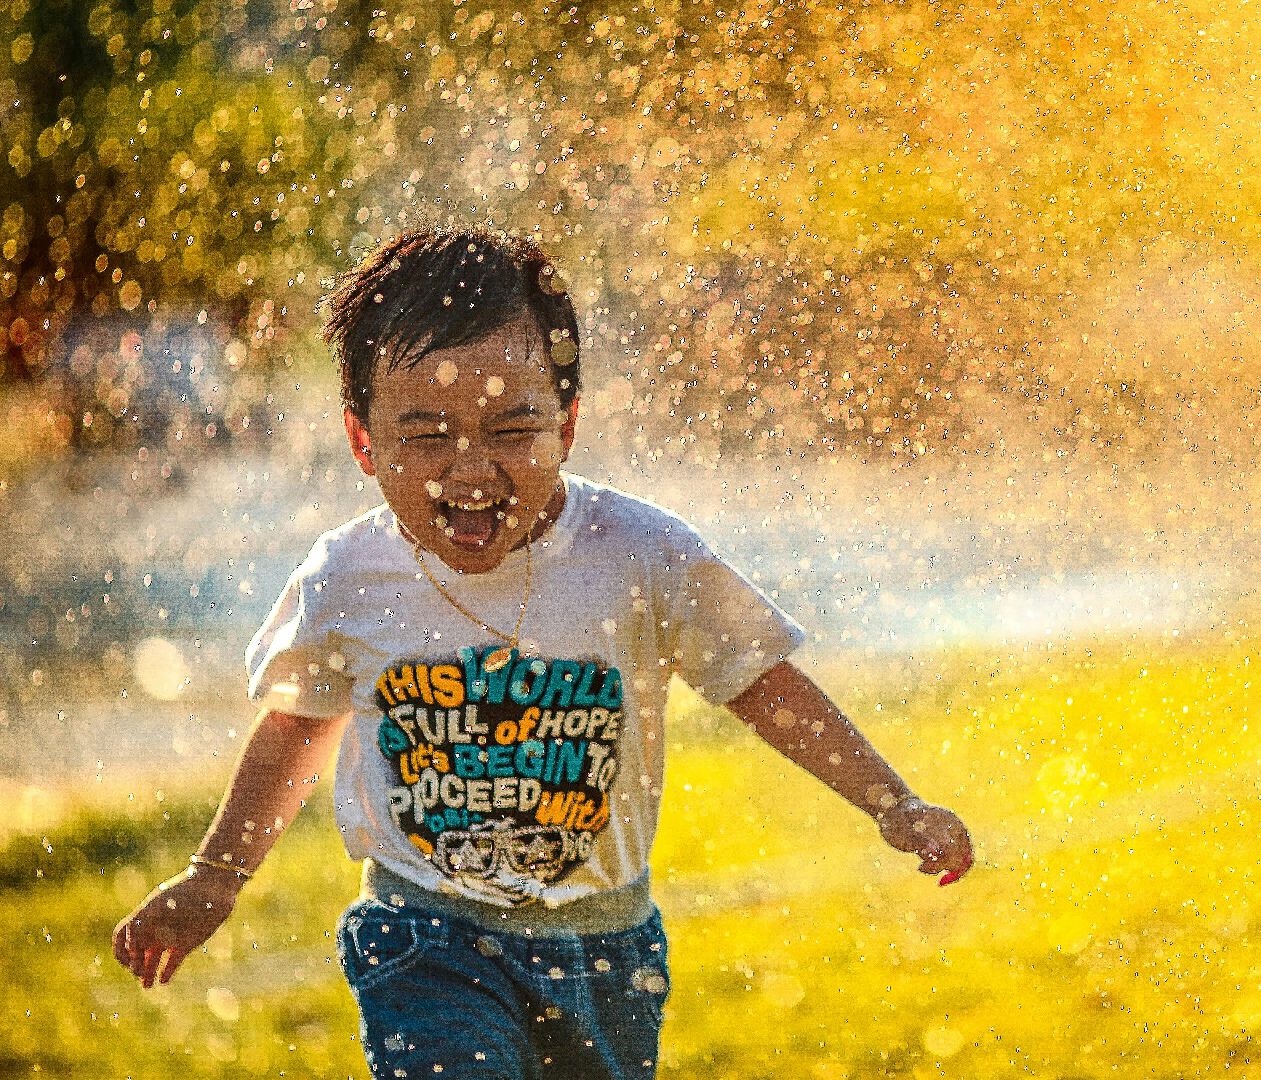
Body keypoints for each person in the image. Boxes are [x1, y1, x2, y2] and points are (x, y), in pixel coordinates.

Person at [111, 227, 974, 1079]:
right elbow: (298, 727)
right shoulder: (349, 576)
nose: (471, 467)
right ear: (363, 442)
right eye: (428, 435)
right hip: (425, 936)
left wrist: (891, 802)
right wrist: (215, 874)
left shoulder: (639, 554)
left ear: (566, 425)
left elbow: (761, 683)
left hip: (606, 947)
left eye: (511, 428)